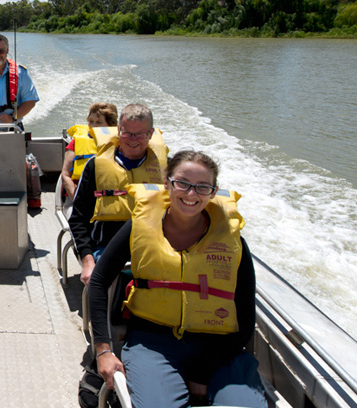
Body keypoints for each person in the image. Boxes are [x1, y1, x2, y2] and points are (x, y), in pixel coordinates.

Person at [89, 151, 267, 408]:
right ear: (167, 183)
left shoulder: (234, 242)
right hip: (153, 344)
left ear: (213, 192)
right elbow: (98, 281)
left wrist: (201, 371)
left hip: (220, 350)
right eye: (182, 183)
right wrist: (103, 350)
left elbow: (246, 321)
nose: (191, 194)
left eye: (202, 187)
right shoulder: (139, 227)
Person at [69, 103, 166, 286]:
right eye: (127, 132)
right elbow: (78, 219)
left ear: (151, 134)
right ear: (118, 130)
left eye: (140, 134)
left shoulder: (167, 170)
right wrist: (87, 260)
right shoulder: (95, 166)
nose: (133, 140)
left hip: (152, 247)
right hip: (105, 247)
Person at [61, 102, 118, 200]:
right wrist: (77, 200)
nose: (93, 126)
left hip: (112, 198)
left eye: (99, 122)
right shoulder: (76, 143)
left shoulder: (121, 144)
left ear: (111, 125)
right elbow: (65, 175)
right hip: (80, 196)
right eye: (91, 121)